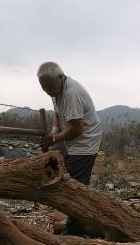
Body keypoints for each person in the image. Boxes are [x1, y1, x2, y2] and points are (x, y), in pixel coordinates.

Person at [37, 62, 102, 235]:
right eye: (45, 89)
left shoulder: (71, 93)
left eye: (50, 87)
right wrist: (53, 131)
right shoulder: (55, 91)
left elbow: (76, 129)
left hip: (85, 142)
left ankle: (76, 232)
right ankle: (84, 224)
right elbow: (58, 114)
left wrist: (53, 139)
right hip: (74, 142)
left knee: (75, 187)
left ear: (61, 78)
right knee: (70, 180)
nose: (49, 91)